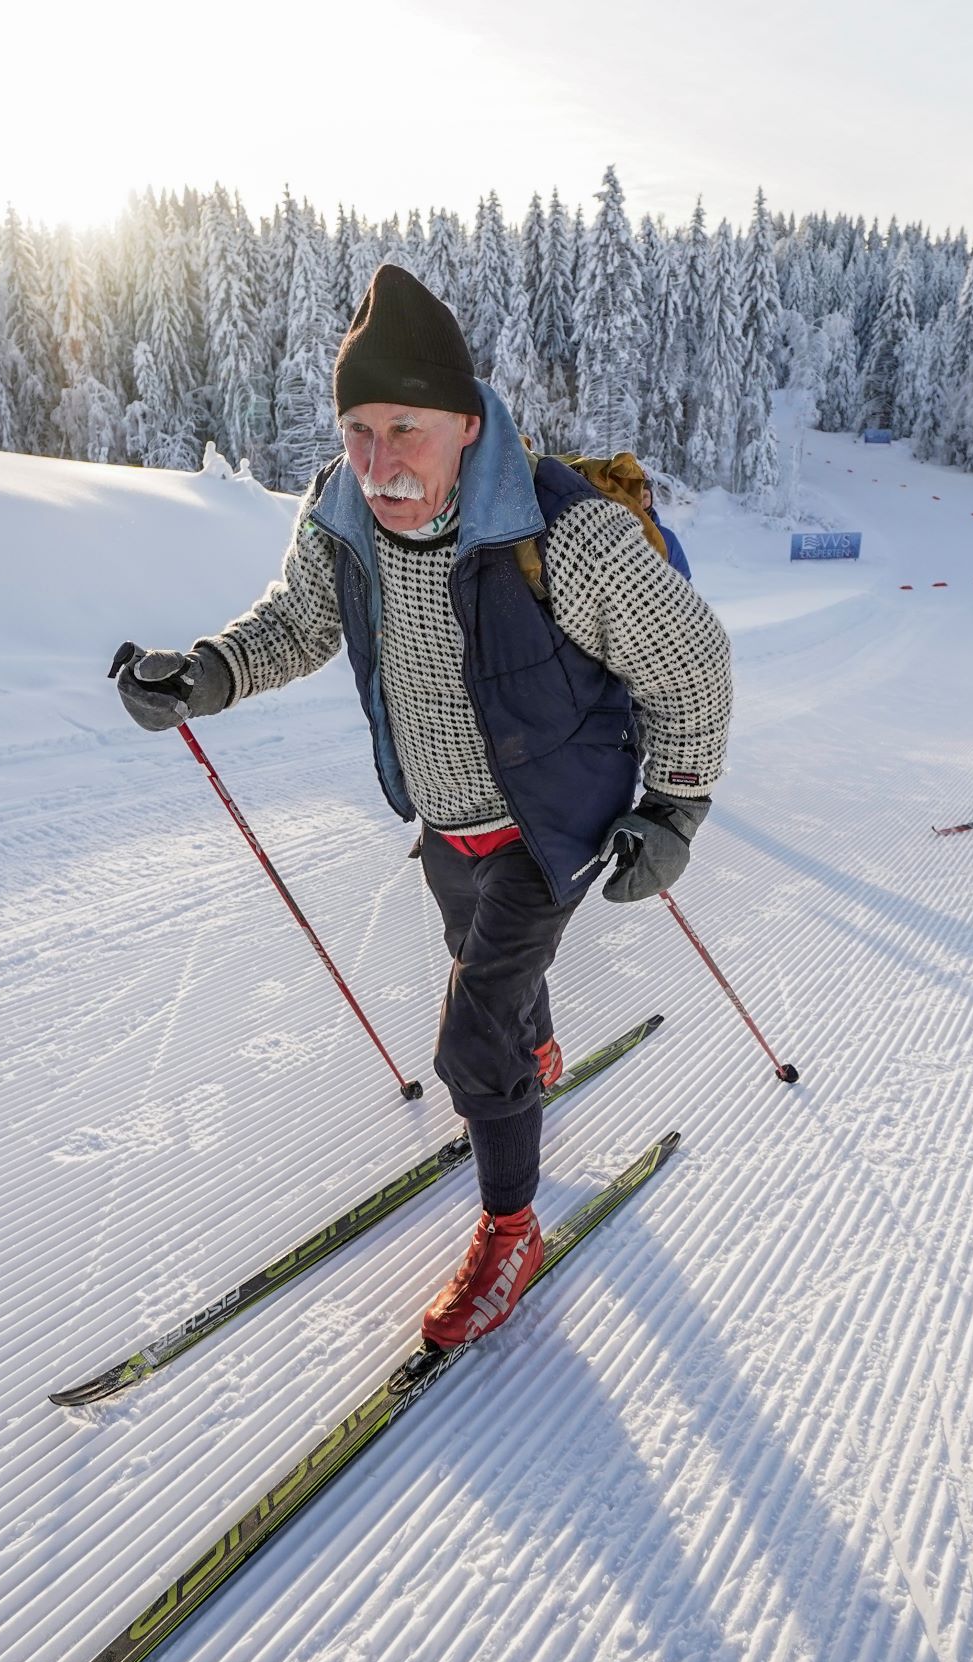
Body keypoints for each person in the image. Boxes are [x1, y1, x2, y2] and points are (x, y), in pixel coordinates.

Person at [113, 265, 733, 1349]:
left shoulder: (566, 531)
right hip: (445, 811)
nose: (378, 460)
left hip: (557, 812)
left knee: (473, 1028)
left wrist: (673, 809)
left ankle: (510, 1226)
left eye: (406, 427)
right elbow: (297, 623)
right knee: (483, 961)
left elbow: (691, 661)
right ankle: (527, 1051)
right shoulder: (340, 510)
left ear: (465, 418)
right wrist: (206, 673)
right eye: (357, 427)